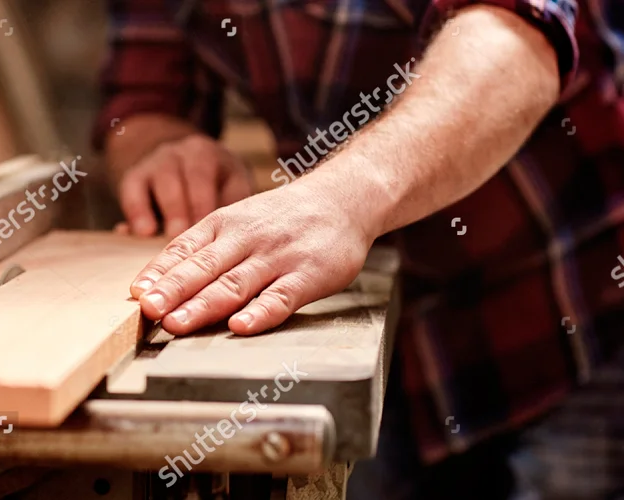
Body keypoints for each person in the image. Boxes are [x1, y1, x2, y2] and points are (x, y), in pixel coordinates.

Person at [92, 0, 624, 498]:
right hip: (378, 343)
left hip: (566, 314)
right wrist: (160, 147)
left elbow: (517, 35)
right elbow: (141, 97)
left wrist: (344, 200)